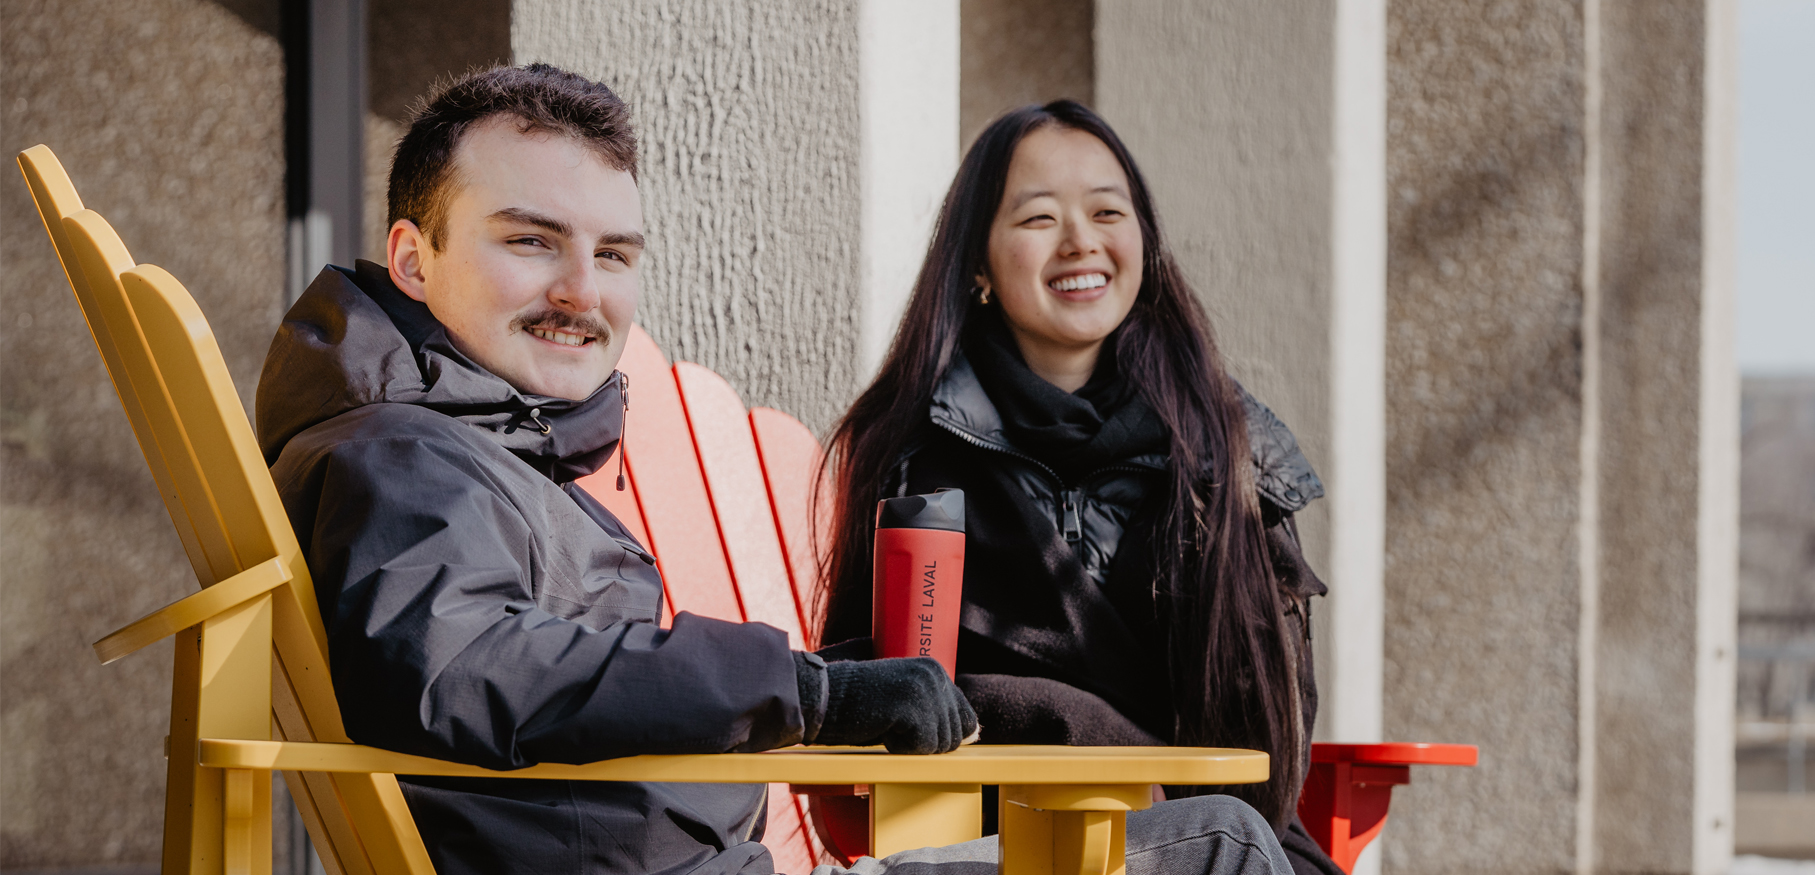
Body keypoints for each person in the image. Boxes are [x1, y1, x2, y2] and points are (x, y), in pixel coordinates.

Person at [256, 64, 1291, 875]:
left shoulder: (473, 449)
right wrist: (807, 689)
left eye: (614, 254)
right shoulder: (404, 455)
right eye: (531, 241)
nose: (582, 288)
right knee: (1223, 848)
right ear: (411, 256)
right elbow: (467, 666)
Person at [815, 101, 1342, 875]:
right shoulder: (912, 451)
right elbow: (872, 688)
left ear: (1144, 242)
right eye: (1038, 218)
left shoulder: (1226, 452)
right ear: (978, 263)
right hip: (1001, 840)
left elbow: (1270, 728)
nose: (1081, 241)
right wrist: (1092, 731)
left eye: (1107, 210)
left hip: (1197, 842)